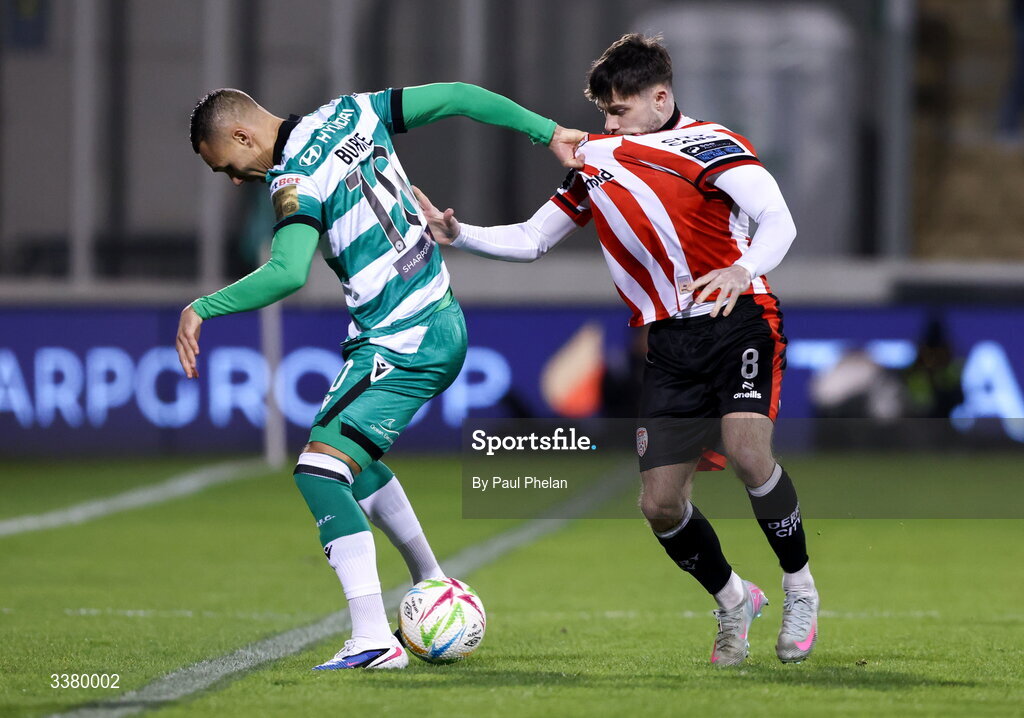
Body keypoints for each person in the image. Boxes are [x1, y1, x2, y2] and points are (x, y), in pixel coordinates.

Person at [415, 34, 818, 666]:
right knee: (660, 505)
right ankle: (734, 598)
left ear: (661, 97)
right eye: (603, 113)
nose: (605, 124)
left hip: (740, 317)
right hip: (671, 342)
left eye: (618, 111)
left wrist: (742, 272)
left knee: (747, 450)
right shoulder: (597, 162)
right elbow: (532, 238)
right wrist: (459, 234)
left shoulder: (715, 146)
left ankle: (800, 587)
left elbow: (780, 222)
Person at [179, 83, 583, 670]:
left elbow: (289, 272)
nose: (237, 179)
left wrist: (203, 307)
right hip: (434, 316)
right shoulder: (352, 111)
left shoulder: (295, 177)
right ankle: (433, 582)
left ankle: (371, 639)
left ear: (242, 136)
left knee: (320, 471)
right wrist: (546, 130)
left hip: (404, 335)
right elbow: (458, 96)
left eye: (228, 166)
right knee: (351, 459)